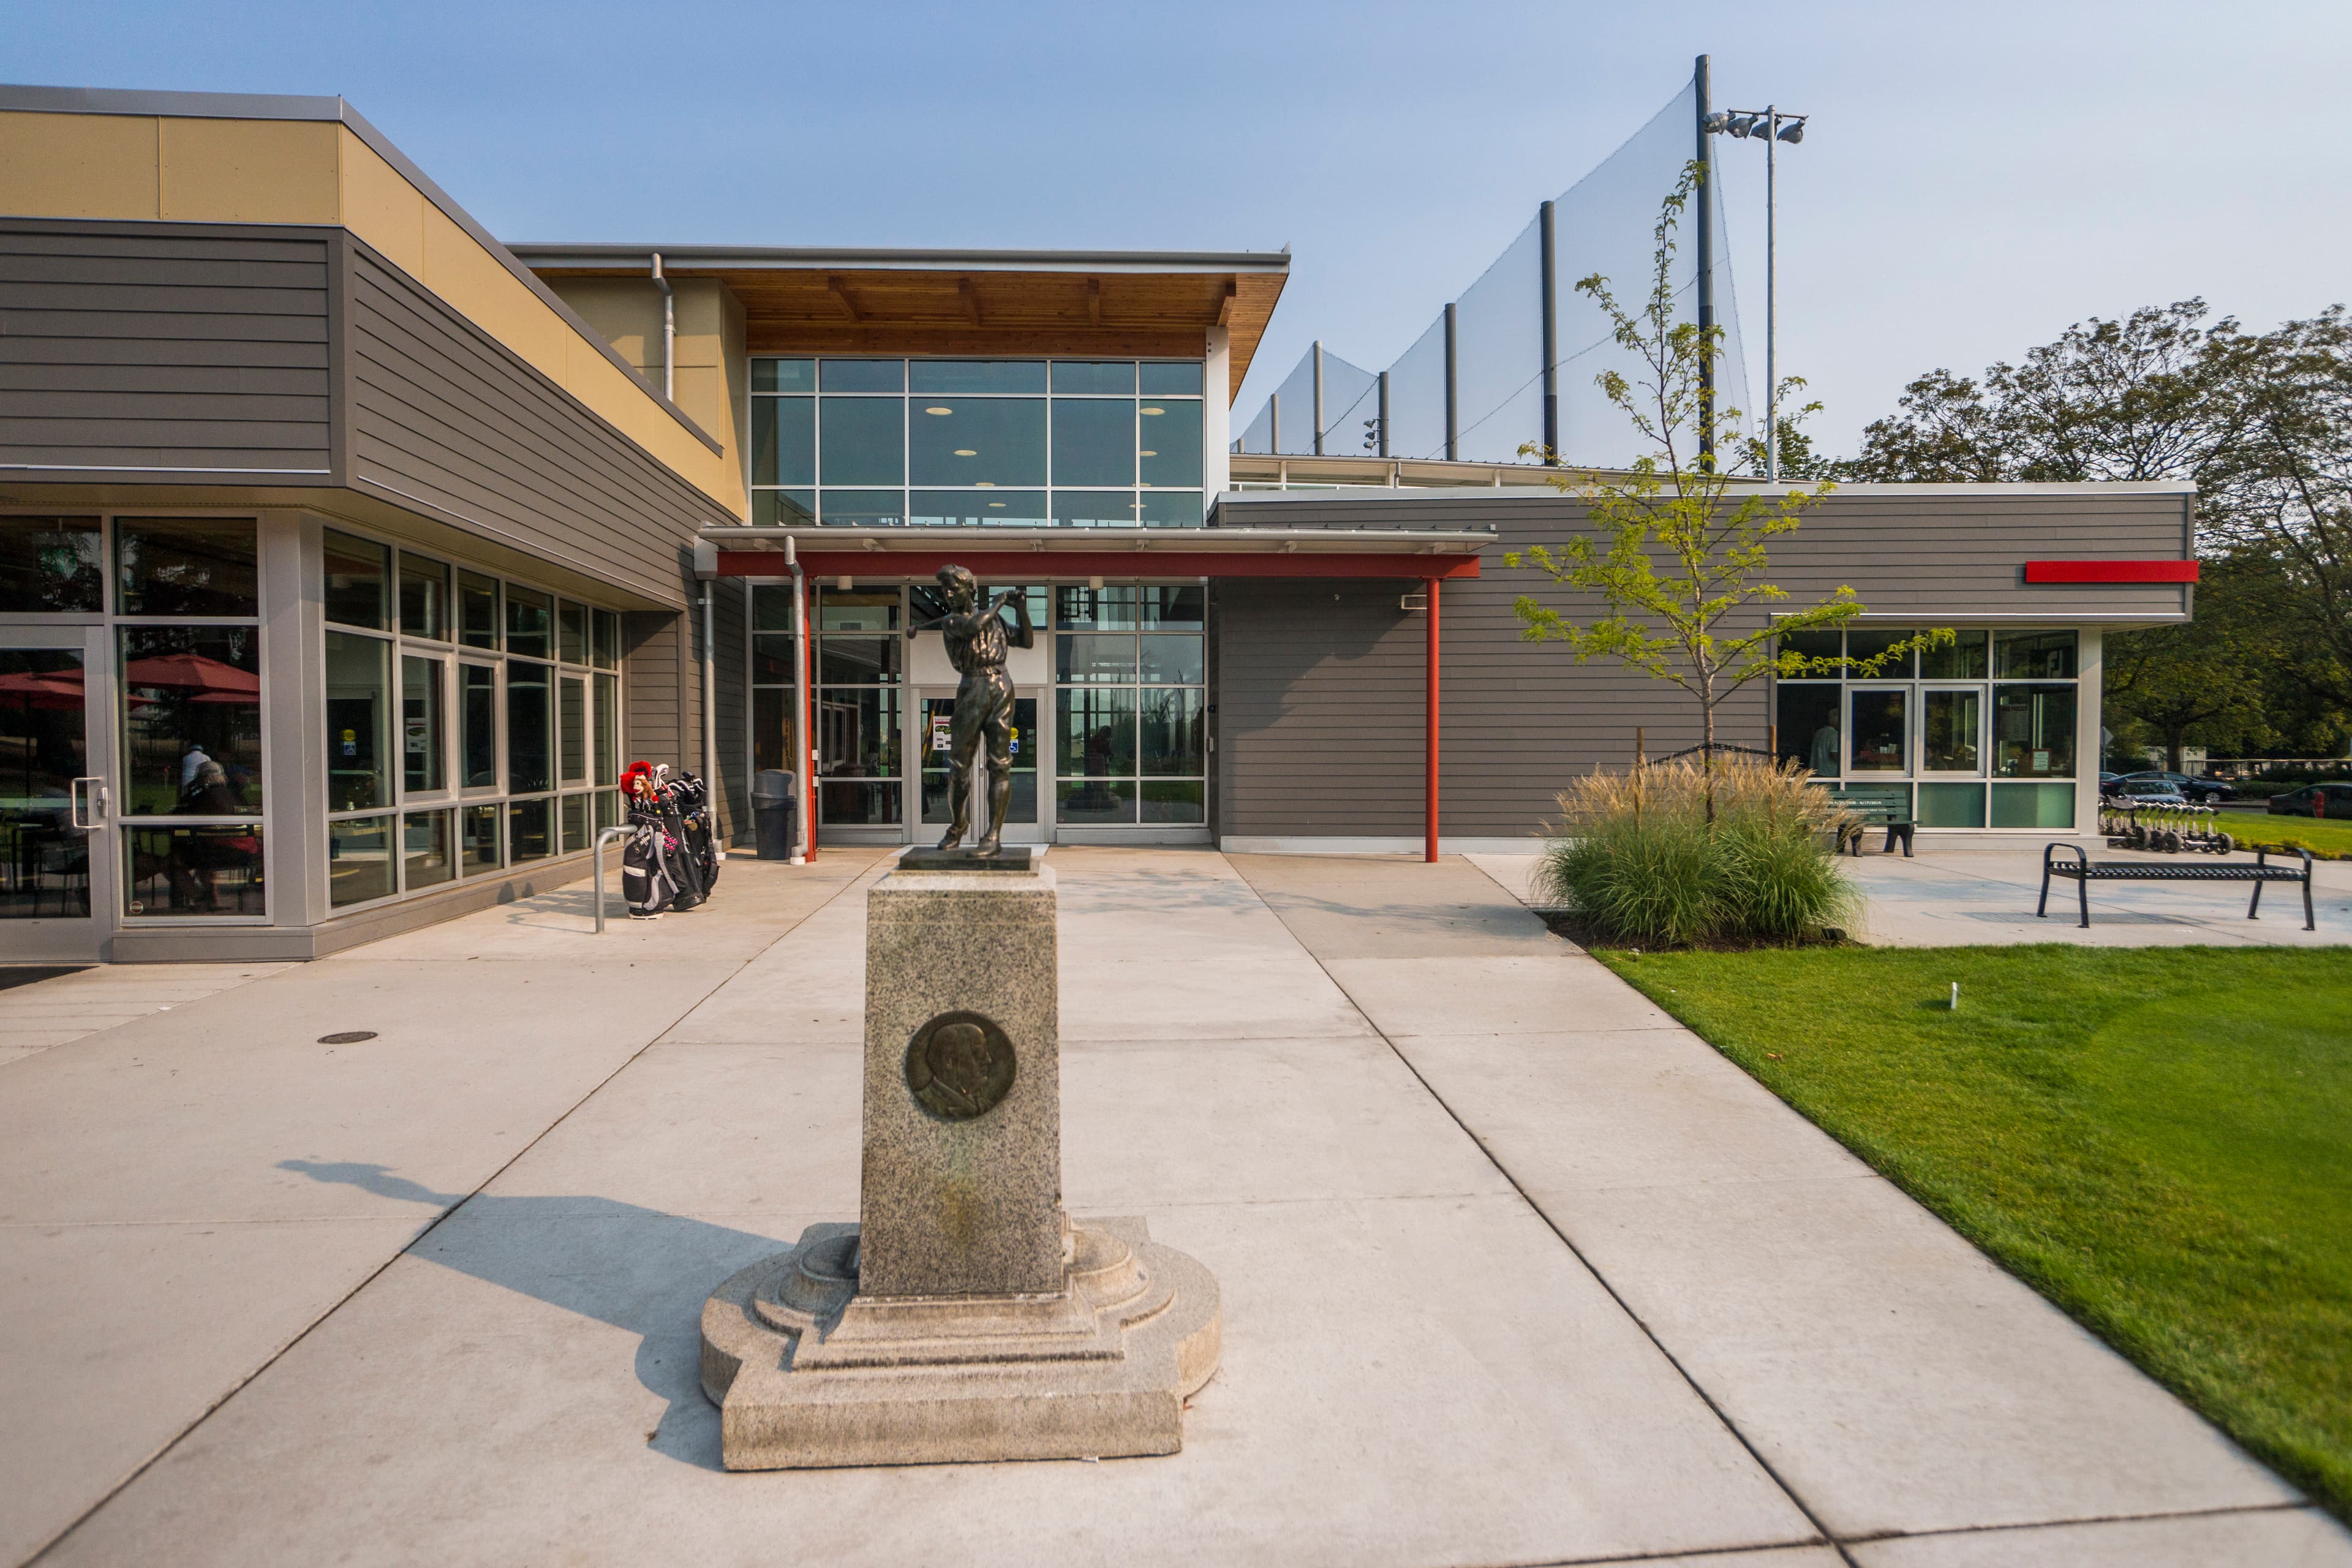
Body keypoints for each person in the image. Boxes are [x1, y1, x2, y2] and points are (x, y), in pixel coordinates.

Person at [905, 565, 1033, 854]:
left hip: (1001, 685)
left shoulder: (996, 620)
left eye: (954, 589)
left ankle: (993, 836)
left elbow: (1026, 640)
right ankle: (958, 825)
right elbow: (974, 626)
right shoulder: (951, 622)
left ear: (970, 590)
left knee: (1000, 765)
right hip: (971, 688)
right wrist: (1000, 599)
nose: (948, 595)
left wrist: (1021, 609)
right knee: (958, 767)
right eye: (945, 591)